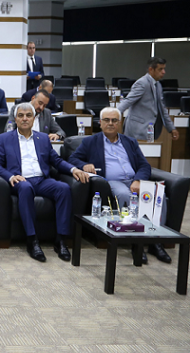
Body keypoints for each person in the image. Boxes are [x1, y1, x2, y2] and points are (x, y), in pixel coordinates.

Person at [68, 107, 170, 264]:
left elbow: (144, 165)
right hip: (113, 182)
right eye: (107, 120)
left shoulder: (130, 142)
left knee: (158, 195)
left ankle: (155, 242)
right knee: (125, 195)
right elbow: (72, 159)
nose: (110, 123)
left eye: (114, 120)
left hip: (133, 180)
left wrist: (138, 180)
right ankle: (137, 243)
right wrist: (84, 165)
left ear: (120, 123)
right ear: (100, 123)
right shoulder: (90, 142)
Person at [0, 103, 89, 262]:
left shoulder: (42, 138)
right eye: (21, 116)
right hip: (21, 181)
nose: (25, 119)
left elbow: (56, 161)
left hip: (42, 180)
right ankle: (32, 241)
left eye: (28, 115)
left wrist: (73, 170)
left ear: (34, 118)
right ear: (15, 119)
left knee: (63, 188)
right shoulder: (5, 139)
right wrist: (10, 177)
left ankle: (61, 240)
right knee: (25, 188)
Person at [118, 57, 179, 142]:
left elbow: (162, 109)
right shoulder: (142, 83)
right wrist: (113, 116)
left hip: (150, 130)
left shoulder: (158, 85)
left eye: (164, 69)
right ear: (151, 69)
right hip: (137, 130)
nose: (163, 72)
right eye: (160, 69)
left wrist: (171, 128)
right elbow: (128, 101)